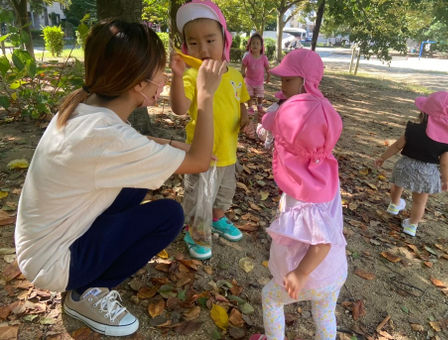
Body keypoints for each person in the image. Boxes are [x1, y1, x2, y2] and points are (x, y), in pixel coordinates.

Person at [14, 19, 226, 337]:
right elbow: (198, 163)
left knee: (138, 181)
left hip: (44, 244)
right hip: (53, 263)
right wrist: (206, 95)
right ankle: (87, 292)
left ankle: (86, 274)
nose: (165, 78)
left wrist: (173, 145)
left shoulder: (85, 106)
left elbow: (138, 144)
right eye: (159, 71)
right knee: (169, 215)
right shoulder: (107, 138)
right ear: (139, 84)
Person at [250, 49, 348, 340]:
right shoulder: (323, 170)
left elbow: (321, 242)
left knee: (271, 297)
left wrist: (300, 273)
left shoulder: (304, 194)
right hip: (334, 273)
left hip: (310, 273)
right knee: (324, 313)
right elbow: (278, 121)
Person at [171, 0, 250, 260]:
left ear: (225, 40)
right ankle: (195, 232)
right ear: (185, 46)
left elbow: (241, 101)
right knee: (198, 198)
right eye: (193, 42)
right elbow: (180, 108)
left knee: (224, 194)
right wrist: (176, 76)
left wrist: (246, 117)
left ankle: (217, 219)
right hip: (200, 157)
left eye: (210, 40)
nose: (202, 49)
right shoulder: (192, 76)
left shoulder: (235, 75)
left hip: (228, 153)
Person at [375, 91, 448, 237]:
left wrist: (383, 157)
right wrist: (446, 180)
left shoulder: (413, 129)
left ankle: (394, 205)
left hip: (405, 166)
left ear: (424, 112)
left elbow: (396, 146)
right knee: (420, 201)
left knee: (396, 185)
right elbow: (445, 163)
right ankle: (412, 225)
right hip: (427, 173)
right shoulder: (446, 140)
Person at [241, 33, 270, 139]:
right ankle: (250, 107)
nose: (255, 45)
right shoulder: (247, 56)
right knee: (249, 95)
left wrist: (269, 75)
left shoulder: (263, 58)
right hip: (249, 80)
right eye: (253, 43)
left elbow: (267, 68)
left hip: (259, 81)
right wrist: (242, 72)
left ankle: (259, 105)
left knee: (260, 94)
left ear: (261, 46)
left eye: (257, 43)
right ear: (250, 45)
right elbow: (243, 66)